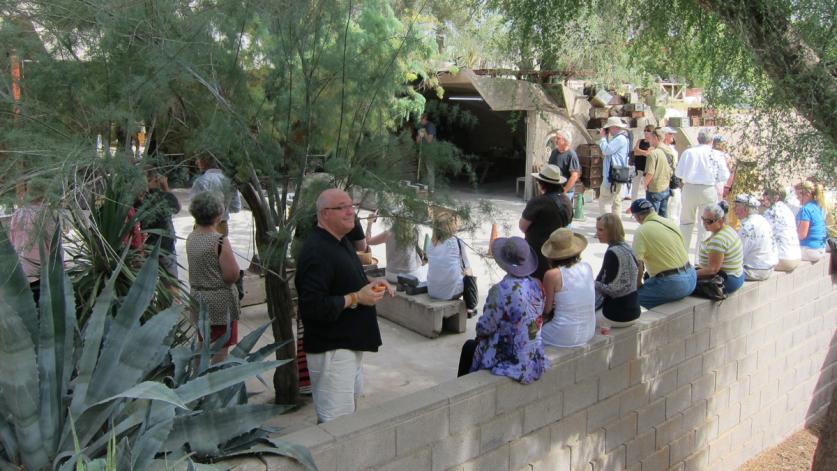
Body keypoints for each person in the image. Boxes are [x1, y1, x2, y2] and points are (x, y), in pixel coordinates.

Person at [295, 188, 392, 423]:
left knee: (347, 415)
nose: (351, 212)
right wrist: (357, 298)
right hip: (332, 350)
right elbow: (312, 306)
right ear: (325, 214)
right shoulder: (317, 251)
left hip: (348, 344)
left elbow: (343, 279)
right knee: (335, 424)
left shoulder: (340, 240)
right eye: (342, 207)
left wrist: (370, 282)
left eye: (351, 206)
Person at [457, 237, 548, 384]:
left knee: (469, 348)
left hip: (510, 355)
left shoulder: (500, 290)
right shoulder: (536, 285)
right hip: (533, 354)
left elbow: (485, 327)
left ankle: (461, 390)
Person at [186, 191, 241, 363]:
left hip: (198, 299)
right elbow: (231, 274)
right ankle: (216, 383)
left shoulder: (192, 237)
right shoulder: (219, 240)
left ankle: (197, 376)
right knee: (220, 347)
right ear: (218, 214)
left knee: (204, 342)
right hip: (218, 303)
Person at [630, 199, 697, 308]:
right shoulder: (670, 222)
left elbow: (638, 267)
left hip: (674, 283)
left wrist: (637, 286)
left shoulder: (641, 231)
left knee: (630, 300)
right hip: (691, 277)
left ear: (638, 217)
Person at [675, 129, 730, 256]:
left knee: (686, 222)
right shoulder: (716, 155)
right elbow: (724, 175)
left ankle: (682, 255)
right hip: (708, 189)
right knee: (706, 223)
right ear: (711, 141)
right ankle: (701, 257)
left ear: (698, 139)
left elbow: (678, 173)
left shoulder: (689, 152)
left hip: (689, 188)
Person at [540, 228, 596, 348]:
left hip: (565, 334)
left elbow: (547, 309)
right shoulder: (587, 267)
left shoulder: (552, 274)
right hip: (589, 330)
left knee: (530, 336)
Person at [519, 165, 573, 280]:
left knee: (538, 286)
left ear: (542, 184)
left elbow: (522, 227)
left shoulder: (538, 202)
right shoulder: (567, 201)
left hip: (538, 253)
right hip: (559, 251)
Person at [9, 179, 56, 303]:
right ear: (44, 194)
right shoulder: (45, 214)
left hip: (20, 269)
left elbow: (12, 242)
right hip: (40, 271)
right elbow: (52, 243)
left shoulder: (18, 214)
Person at [594, 214, 641, 331]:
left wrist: (591, 283)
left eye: (601, 230)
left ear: (611, 231)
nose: (597, 233)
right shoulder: (628, 247)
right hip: (634, 309)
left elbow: (612, 289)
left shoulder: (613, 253)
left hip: (618, 314)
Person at [695, 202, 745, 294]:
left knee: (682, 284)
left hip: (727, 281)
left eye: (709, 221)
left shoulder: (718, 240)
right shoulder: (728, 229)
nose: (705, 224)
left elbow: (712, 270)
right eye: (703, 219)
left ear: (721, 221)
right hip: (737, 276)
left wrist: (691, 275)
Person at [365, 210, 426, 284]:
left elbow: (368, 241)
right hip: (411, 276)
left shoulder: (388, 234)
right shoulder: (414, 232)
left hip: (391, 276)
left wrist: (369, 223)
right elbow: (418, 252)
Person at [427, 213, 473, 309]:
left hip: (432, 291)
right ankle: (469, 305)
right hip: (450, 293)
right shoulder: (457, 242)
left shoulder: (431, 244)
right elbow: (466, 269)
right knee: (468, 270)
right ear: (451, 226)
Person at [142, 170, 181, 278]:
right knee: (170, 284)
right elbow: (177, 208)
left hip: (146, 248)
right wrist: (165, 187)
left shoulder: (138, 199)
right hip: (166, 247)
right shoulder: (164, 197)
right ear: (155, 180)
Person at [190, 155, 241, 237]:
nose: (196, 162)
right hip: (222, 226)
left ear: (206, 160)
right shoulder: (229, 181)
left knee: (201, 249)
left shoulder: (201, 181)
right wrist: (223, 211)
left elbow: (194, 208)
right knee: (221, 249)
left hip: (203, 227)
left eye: (198, 159)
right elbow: (236, 207)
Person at [733, 194, 778, 281]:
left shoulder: (747, 226)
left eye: (737, 206)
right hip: (769, 268)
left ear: (745, 209)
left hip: (755, 270)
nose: (734, 209)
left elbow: (738, 254)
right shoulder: (762, 220)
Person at [760, 188, 801, 272]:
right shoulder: (788, 210)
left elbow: (761, 235)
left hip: (784, 260)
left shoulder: (770, 212)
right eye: (763, 195)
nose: (763, 198)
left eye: (766, 195)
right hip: (797, 257)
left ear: (776, 197)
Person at [598, 117, 631, 215]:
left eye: (609, 128)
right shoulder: (622, 138)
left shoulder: (620, 139)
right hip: (617, 175)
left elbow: (606, 151)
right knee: (616, 203)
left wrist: (603, 138)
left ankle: (607, 227)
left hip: (611, 177)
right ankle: (616, 227)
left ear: (614, 127)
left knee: (605, 202)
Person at [794, 181, 828, 261]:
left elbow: (802, 235)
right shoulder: (819, 206)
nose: (797, 198)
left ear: (807, 194)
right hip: (821, 248)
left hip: (810, 250)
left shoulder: (805, 209)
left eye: (798, 195)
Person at [643, 128, 673, 217]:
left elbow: (650, 172)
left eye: (650, 138)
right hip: (666, 186)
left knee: (652, 216)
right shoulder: (669, 150)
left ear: (655, 138)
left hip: (654, 188)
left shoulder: (653, 153)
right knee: (663, 215)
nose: (649, 140)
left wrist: (644, 184)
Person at [547, 130, 581, 198]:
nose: (556, 140)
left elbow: (574, 176)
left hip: (565, 192)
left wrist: (565, 190)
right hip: (553, 190)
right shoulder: (554, 152)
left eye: (558, 138)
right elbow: (549, 169)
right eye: (556, 138)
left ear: (565, 141)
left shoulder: (571, 155)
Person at [658, 127, 681, 223]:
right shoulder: (660, 149)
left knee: (675, 205)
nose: (673, 136)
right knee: (667, 207)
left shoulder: (672, 149)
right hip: (664, 181)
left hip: (673, 180)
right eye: (670, 134)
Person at [630, 125, 655, 201]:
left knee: (646, 187)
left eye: (648, 131)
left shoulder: (652, 144)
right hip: (638, 168)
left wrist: (639, 151)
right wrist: (643, 152)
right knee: (635, 187)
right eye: (645, 131)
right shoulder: (640, 141)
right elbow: (635, 152)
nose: (646, 133)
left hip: (646, 169)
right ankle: (633, 204)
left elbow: (648, 153)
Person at [416, 113, 437, 191]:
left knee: (430, 169)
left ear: (425, 118)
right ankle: (424, 187)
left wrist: (424, 133)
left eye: (421, 119)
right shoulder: (420, 126)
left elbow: (429, 140)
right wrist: (419, 134)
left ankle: (431, 188)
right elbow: (417, 141)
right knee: (422, 170)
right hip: (423, 151)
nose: (419, 121)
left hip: (430, 151)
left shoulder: (430, 126)